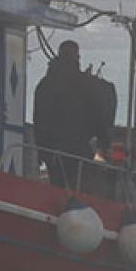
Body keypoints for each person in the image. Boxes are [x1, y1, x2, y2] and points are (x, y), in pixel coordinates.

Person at [33, 40, 106, 189]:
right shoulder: (87, 84)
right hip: (78, 149)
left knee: (57, 186)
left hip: (52, 150)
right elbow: (99, 115)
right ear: (77, 57)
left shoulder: (44, 85)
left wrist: (40, 151)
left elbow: (38, 120)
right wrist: (102, 143)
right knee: (78, 188)